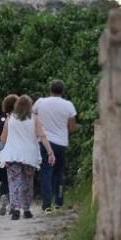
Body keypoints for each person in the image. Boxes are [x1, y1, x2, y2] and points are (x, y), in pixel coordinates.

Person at [0, 94, 55, 219]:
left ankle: (15, 208)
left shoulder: (10, 119)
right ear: (30, 106)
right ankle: (27, 209)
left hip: (12, 155)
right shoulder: (34, 119)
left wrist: (0, 149)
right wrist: (50, 152)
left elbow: (3, 138)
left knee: (14, 182)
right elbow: (42, 135)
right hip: (29, 155)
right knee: (28, 183)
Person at [32, 80, 77, 213]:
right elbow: (73, 127)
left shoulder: (40, 102)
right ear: (63, 91)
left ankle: (46, 205)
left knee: (46, 172)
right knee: (59, 172)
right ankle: (58, 201)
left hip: (45, 142)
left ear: (50, 90)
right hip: (61, 143)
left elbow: (32, 116)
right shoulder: (68, 105)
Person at [0, 94, 18, 216]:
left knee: (2, 179)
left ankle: (3, 196)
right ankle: (13, 203)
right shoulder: (19, 120)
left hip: (1, 152)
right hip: (16, 152)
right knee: (15, 178)